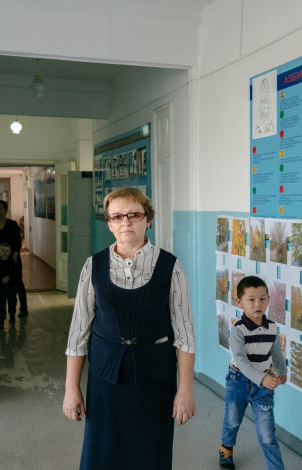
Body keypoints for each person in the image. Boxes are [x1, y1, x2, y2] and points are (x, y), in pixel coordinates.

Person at [62, 187, 196, 470]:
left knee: (150, 456)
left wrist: (185, 390)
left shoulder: (171, 267)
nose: (126, 222)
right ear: (109, 224)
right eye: (117, 216)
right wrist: (71, 388)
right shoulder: (93, 266)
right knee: (102, 456)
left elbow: (185, 336)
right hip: (105, 382)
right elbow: (78, 334)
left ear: (148, 219)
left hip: (155, 381)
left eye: (134, 215)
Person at [219, 275, 287, 470]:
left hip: (263, 388)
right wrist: (262, 378)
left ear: (268, 299)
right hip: (238, 381)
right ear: (239, 301)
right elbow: (241, 361)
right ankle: (226, 449)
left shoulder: (272, 328)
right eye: (251, 299)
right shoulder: (238, 330)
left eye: (262, 299)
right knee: (232, 421)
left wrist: (282, 371)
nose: (258, 304)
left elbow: (276, 352)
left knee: (267, 434)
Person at [0, 242, 20, 329]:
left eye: (7, 251)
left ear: (10, 252)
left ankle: (12, 315)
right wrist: (0, 279)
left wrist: (9, 277)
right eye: (3, 250)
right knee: (2, 304)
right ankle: (1, 320)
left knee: (12, 302)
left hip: (12, 287)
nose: (5, 253)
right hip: (2, 288)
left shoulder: (12, 262)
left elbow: (16, 274)